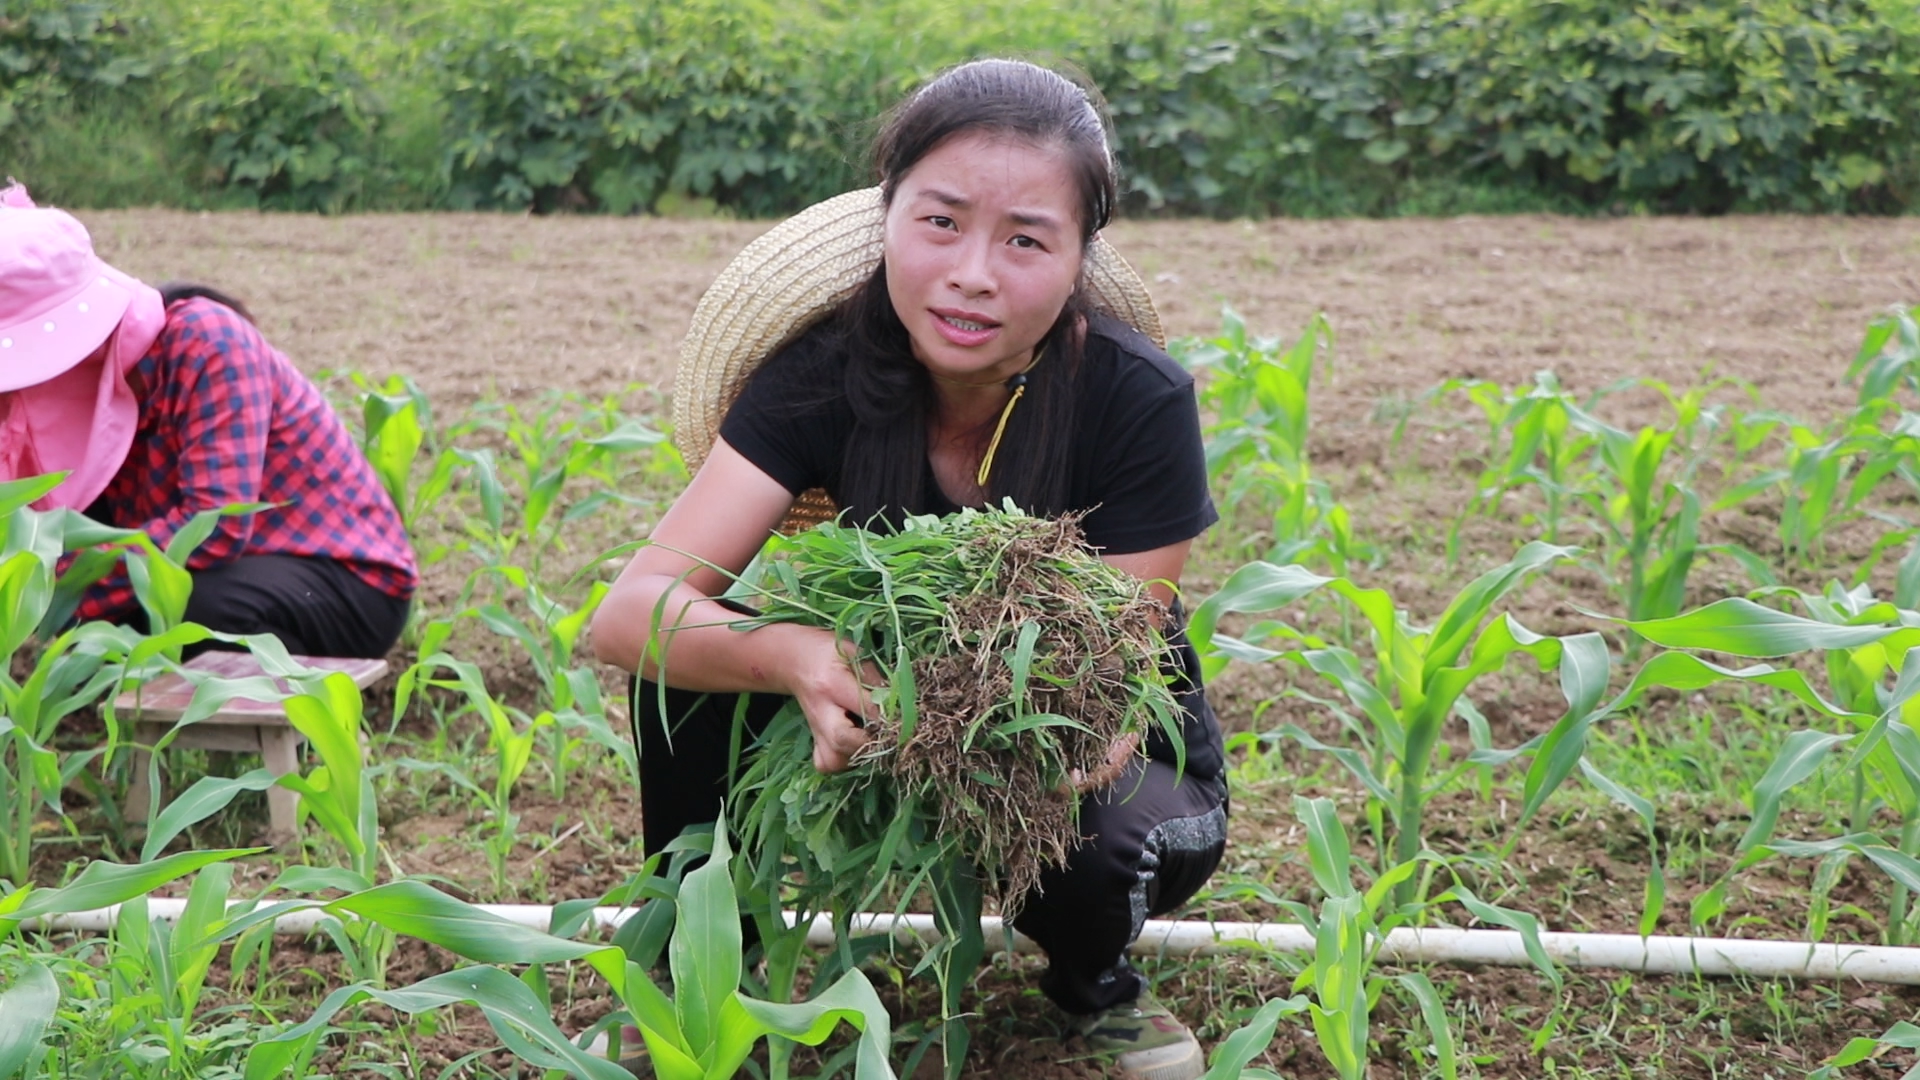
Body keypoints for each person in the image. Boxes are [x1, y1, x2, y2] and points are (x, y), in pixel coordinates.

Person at [591, 60, 1226, 1080]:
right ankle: (695, 967)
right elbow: (627, 615)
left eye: (1025, 238)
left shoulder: (1133, 398)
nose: (974, 272)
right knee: (690, 667)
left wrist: (1031, 741)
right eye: (940, 222)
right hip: (865, 701)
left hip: (1077, 738)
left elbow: (1104, 673)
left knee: (1104, 841)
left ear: (1076, 258)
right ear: (885, 219)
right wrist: (796, 654)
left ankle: (1091, 982)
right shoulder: (820, 376)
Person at [0, 182, 416, 659]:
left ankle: (293, 719)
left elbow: (213, 526)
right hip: (228, 568)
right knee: (92, 599)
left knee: (198, 610)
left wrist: (64, 576)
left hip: (342, 581)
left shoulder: (206, 343)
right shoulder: (78, 396)